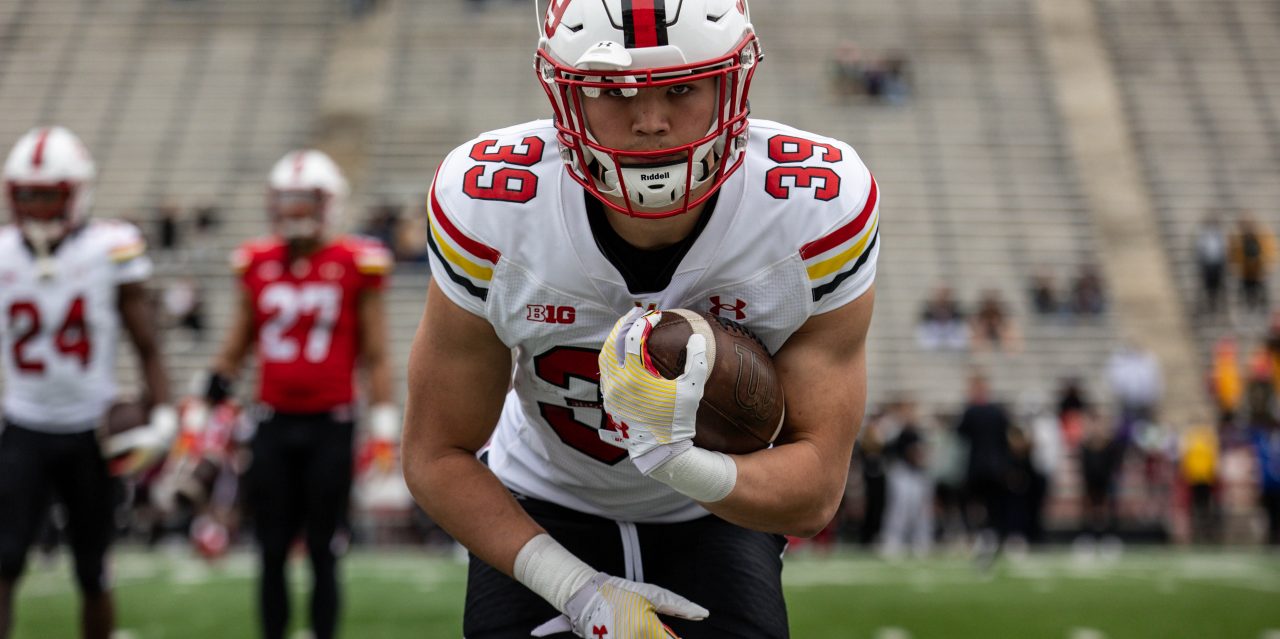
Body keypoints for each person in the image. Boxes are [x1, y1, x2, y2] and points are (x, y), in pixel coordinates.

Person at [401, 1, 880, 636]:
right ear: (563, 93)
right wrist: (575, 591)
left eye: (682, 88)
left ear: (731, 81)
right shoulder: (490, 205)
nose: (651, 121)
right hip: (539, 501)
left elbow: (817, 489)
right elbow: (437, 453)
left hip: (716, 512)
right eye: (611, 89)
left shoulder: (813, 208)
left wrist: (678, 462)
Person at [199, 149, 396, 639]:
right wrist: (207, 396)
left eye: (304, 200)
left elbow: (376, 353)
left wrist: (384, 425)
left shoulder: (356, 262)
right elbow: (236, 343)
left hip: (332, 421)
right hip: (272, 420)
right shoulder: (257, 262)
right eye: (286, 201)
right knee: (269, 547)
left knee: (324, 547)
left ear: (330, 203)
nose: (294, 211)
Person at [0, 126, 175, 639]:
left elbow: (147, 344)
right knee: (4, 562)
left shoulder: (109, 248)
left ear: (75, 194)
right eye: (24, 195)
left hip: (91, 432)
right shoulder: (4, 252)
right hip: (23, 425)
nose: (33, 208)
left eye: (46, 195)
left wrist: (162, 414)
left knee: (94, 570)